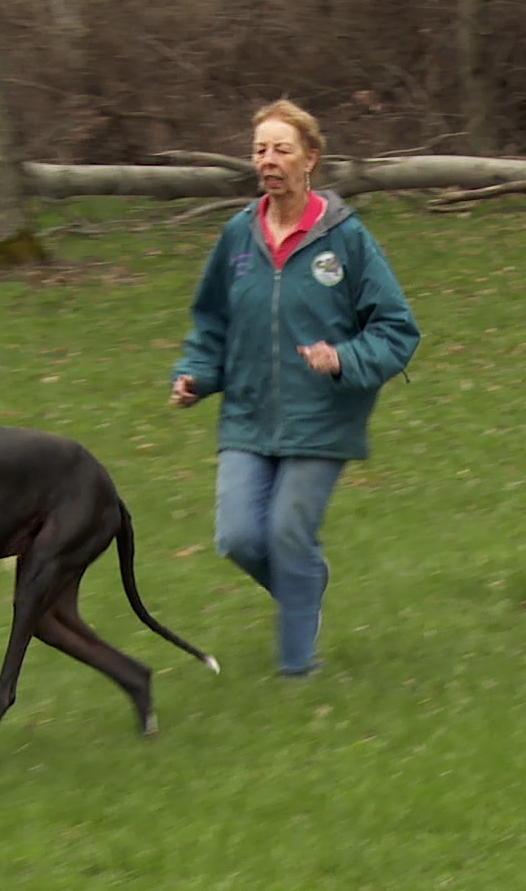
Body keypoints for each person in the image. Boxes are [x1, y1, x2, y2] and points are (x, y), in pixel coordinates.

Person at [170, 99, 420, 677]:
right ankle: (307, 582)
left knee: (287, 533)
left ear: (310, 158)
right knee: (236, 537)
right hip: (248, 416)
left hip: (322, 417)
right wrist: (195, 376)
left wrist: (342, 359)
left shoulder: (347, 240)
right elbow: (212, 323)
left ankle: (297, 670)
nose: (269, 160)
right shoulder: (237, 236)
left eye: (282, 149)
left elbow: (397, 330)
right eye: (260, 149)